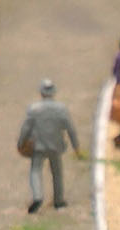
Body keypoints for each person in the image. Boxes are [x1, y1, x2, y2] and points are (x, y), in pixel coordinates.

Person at [17, 79, 81, 213]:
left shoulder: (34, 109)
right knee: (57, 172)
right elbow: (71, 129)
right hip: (56, 146)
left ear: (41, 93)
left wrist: (21, 142)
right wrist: (76, 146)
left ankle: (38, 196)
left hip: (38, 146)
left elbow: (26, 128)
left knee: (35, 170)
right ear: (53, 93)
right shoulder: (61, 109)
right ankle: (59, 200)